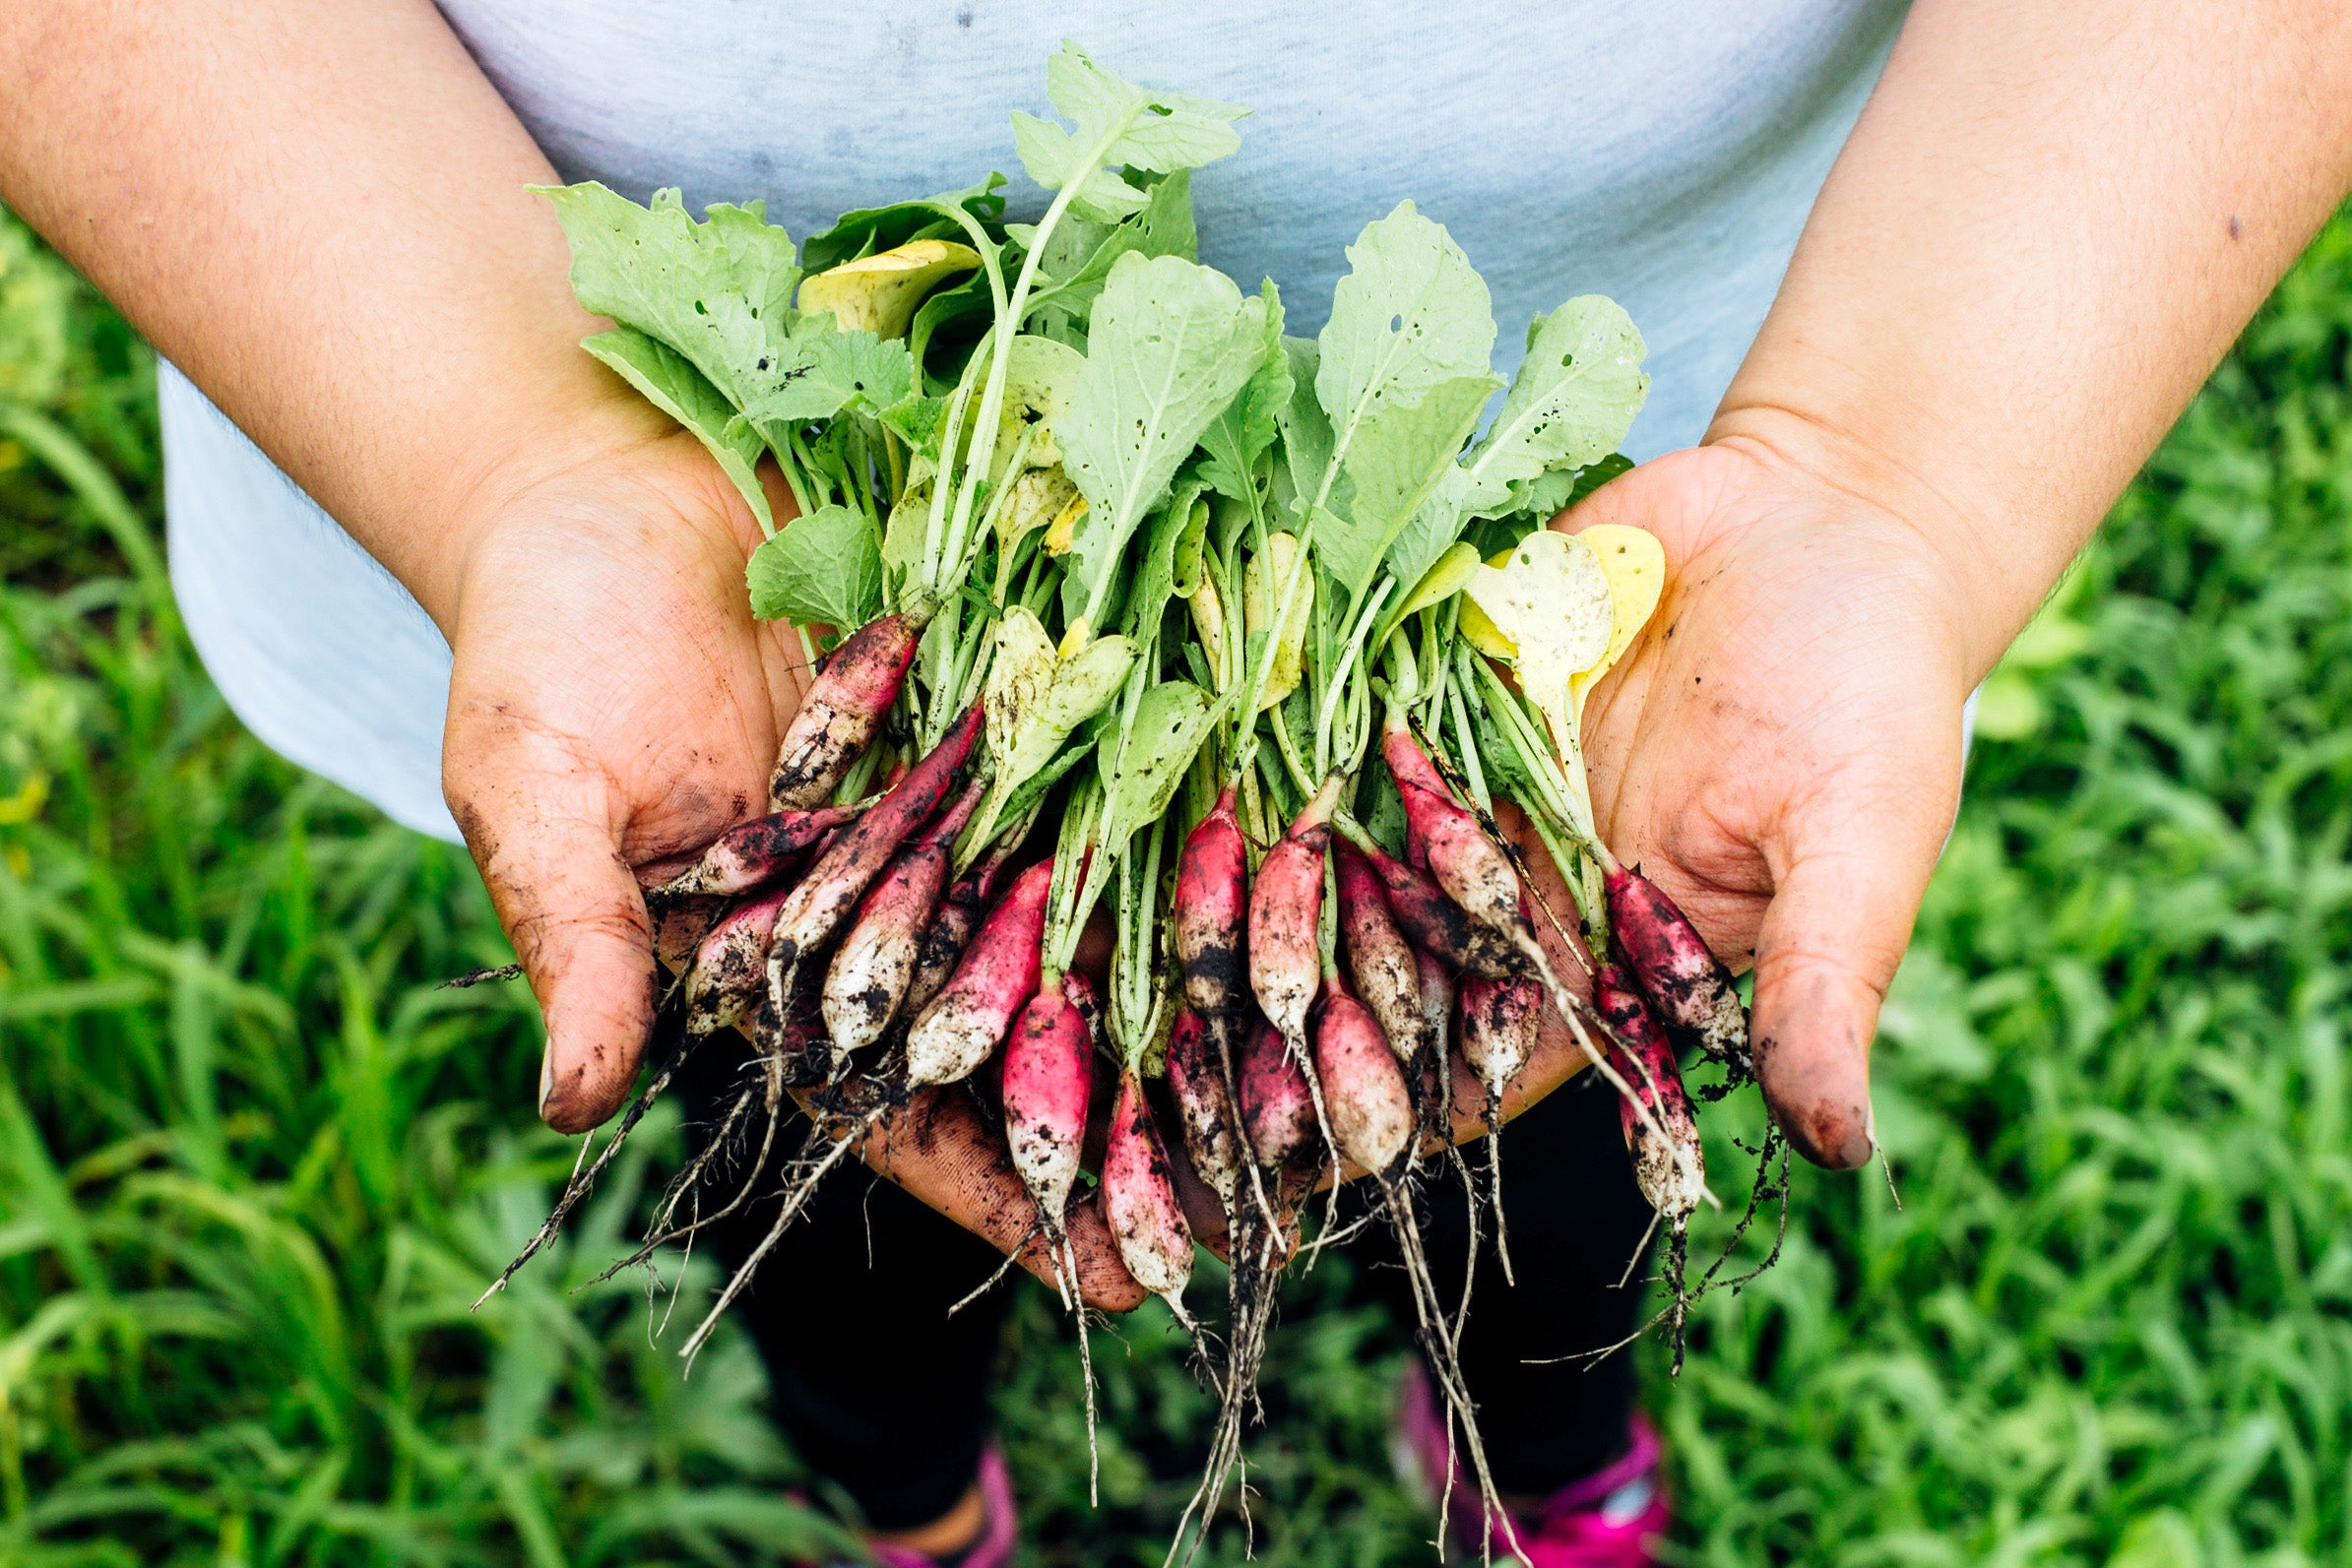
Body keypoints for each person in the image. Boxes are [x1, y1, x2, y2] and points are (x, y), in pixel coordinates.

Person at [6, 3, 2348, 1562]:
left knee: (1524, 1046)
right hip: (535, 404)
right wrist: (513, 449)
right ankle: (911, 1487)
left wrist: (1893, 481)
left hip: (1643, 513)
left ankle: (1537, 1439)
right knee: (785, 1059)